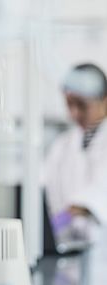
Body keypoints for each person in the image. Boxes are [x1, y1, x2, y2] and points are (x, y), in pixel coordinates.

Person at [44, 63, 107, 242]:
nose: (74, 113)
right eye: (69, 104)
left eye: (82, 105)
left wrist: (61, 218)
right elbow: (45, 188)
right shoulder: (62, 145)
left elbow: (98, 197)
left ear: (104, 99)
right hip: (68, 247)